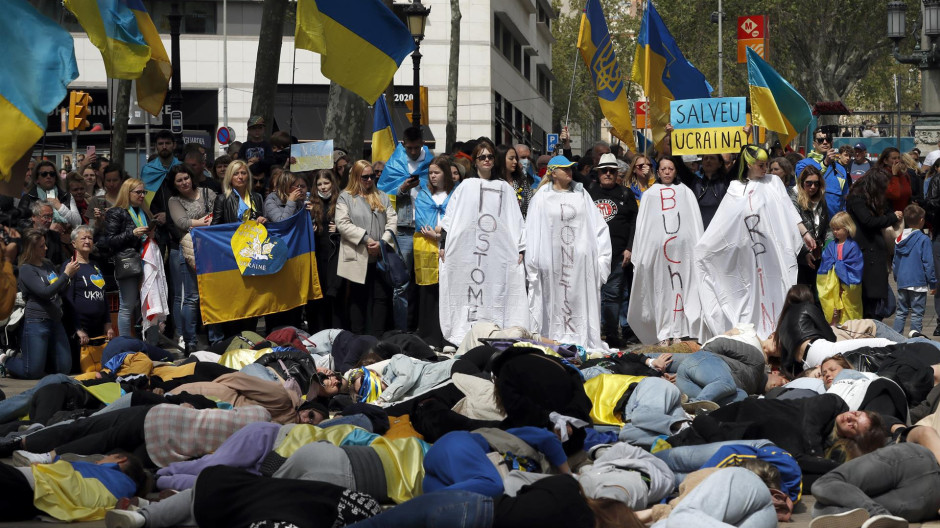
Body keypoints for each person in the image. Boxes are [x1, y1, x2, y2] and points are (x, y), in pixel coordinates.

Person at [693, 145, 816, 340]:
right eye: (760, 165)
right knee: (750, 294)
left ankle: (776, 333)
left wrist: (804, 233)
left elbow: (789, 210)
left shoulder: (774, 182)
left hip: (773, 253)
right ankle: (753, 334)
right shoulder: (736, 187)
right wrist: (705, 246)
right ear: (749, 164)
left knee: (777, 289)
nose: (765, 168)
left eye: (767, 164)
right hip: (748, 255)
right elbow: (724, 221)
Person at [524, 155, 611, 348]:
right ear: (553, 173)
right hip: (553, 261)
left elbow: (597, 226)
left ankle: (579, 340)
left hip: (579, 262)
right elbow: (532, 230)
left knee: (577, 301)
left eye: (571, 168)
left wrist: (600, 259)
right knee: (555, 302)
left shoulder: (581, 195)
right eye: (565, 169)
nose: (570, 172)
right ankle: (555, 340)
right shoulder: (541, 198)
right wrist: (535, 262)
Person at [627, 157, 703, 345]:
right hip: (659, 255)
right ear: (658, 172)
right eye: (663, 169)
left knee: (680, 288)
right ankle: (663, 332)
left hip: (682, 254)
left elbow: (693, 222)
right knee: (661, 291)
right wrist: (642, 251)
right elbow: (644, 226)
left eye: (670, 168)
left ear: (675, 171)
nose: (667, 172)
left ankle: (679, 331)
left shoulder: (685, 192)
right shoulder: (650, 194)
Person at [0, 230, 79, 379]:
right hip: (36, 321)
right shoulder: (26, 269)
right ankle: (5, 359)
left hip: (55, 320)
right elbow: (44, 292)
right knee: (32, 372)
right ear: (32, 249)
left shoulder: (48, 265)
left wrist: (69, 278)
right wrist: (66, 274)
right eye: (42, 246)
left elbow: (59, 290)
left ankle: (35, 359)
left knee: (64, 368)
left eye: (45, 245)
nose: (46, 248)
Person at [336, 160, 397, 337]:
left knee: (381, 298)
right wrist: (366, 240)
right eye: (365, 177)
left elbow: (392, 220)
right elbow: (342, 223)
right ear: (356, 177)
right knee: (357, 298)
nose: (370, 179)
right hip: (358, 254)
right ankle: (358, 336)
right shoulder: (345, 197)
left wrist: (382, 242)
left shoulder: (382, 195)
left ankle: (378, 336)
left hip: (380, 255)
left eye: (372, 176)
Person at [590, 153, 638, 348]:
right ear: (598, 173)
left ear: (617, 173)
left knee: (612, 295)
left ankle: (611, 334)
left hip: (618, 255)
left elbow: (635, 224)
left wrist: (629, 248)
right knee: (594, 294)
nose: (608, 174)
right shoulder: (589, 193)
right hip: (594, 255)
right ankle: (595, 333)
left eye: (611, 170)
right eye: (604, 171)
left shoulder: (626, 195)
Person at [167, 166, 216, 352]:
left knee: (212, 295)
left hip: (212, 248)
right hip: (189, 249)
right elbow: (181, 223)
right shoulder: (174, 200)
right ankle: (190, 341)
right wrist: (204, 222)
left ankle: (215, 339)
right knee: (191, 298)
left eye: (186, 178)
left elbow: (219, 213)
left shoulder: (207, 192)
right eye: (179, 180)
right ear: (174, 184)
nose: (184, 182)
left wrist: (197, 223)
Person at [96, 179, 152, 338]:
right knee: (127, 306)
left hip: (146, 260)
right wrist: (132, 233)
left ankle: (151, 343)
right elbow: (108, 241)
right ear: (127, 193)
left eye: (143, 192)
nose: (142, 195)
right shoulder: (116, 212)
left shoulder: (145, 212)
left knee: (150, 305)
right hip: (128, 263)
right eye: (138, 192)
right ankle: (126, 343)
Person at [847, 169, 904, 319]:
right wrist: (891, 217)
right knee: (868, 299)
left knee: (876, 300)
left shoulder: (873, 198)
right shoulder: (857, 198)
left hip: (875, 252)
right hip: (865, 251)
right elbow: (868, 221)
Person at [412, 155, 456, 347]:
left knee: (447, 293)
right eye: (430, 173)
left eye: (436, 172)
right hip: (428, 247)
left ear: (445, 173)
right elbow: (421, 220)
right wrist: (434, 234)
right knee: (429, 293)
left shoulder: (455, 194)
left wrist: (440, 234)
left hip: (449, 246)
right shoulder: (423, 194)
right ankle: (429, 335)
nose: (432, 176)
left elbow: (457, 218)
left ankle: (447, 335)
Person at [63, 226, 114, 349]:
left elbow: (103, 296)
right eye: (83, 238)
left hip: (99, 327)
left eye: (90, 238)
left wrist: (108, 323)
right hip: (81, 329)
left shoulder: (95, 265)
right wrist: (77, 329)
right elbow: (67, 299)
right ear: (74, 243)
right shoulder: (71, 266)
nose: (87, 241)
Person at [893, 204, 938, 335]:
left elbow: (895, 262)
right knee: (917, 313)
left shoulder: (899, 239)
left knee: (901, 312)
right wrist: (933, 283)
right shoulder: (924, 239)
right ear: (921, 220)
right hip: (918, 282)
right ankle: (915, 340)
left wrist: (897, 277)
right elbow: (928, 263)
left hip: (902, 281)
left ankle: (895, 340)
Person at [307, 170, 342, 332]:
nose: (323, 187)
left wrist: (340, 228)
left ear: (332, 183)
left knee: (334, 295)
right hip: (317, 255)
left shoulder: (341, 201)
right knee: (318, 295)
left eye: (326, 183)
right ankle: (318, 331)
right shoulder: (311, 203)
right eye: (319, 184)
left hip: (335, 255)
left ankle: (335, 332)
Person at [817, 212, 864, 325]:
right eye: (833, 229)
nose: (834, 232)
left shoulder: (853, 247)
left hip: (846, 288)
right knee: (833, 313)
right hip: (833, 287)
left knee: (849, 313)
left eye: (838, 229)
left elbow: (855, 268)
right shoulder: (831, 245)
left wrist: (839, 267)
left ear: (847, 228)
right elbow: (825, 264)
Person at [792, 165, 830, 300]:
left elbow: (826, 226)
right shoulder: (793, 198)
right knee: (802, 293)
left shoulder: (821, 199)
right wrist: (804, 252)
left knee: (816, 293)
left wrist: (826, 247)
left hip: (817, 253)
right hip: (799, 256)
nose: (813, 187)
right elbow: (794, 229)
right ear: (802, 183)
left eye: (816, 183)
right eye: (809, 183)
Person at [796, 128, 849, 218]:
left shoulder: (841, 169)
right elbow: (805, 182)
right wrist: (825, 163)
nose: (825, 142)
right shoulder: (802, 164)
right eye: (820, 140)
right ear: (814, 144)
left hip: (833, 225)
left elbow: (844, 199)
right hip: (810, 222)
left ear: (831, 142)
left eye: (828, 139)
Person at [17, 160, 82, 227]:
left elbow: (78, 222)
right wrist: (46, 227)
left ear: (56, 178)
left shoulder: (66, 196)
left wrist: (59, 207)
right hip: (38, 236)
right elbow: (20, 222)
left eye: (52, 174)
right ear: (37, 179)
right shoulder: (28, 198)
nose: (48, 176)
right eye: (44, 174)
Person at [493, 144, 535, 218]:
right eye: (511, 158)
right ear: (501, 159)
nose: (515, 161)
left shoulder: (522, 181)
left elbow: (530, 207)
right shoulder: (492, 182)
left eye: (516, 158)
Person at [88, 162, 125, 229]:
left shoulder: (128, 200)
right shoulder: (96, 201)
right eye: (108, 180)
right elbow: (90, 230)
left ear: (121, 181)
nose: (111, 184)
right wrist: (98, 222)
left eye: (115, 180)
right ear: (104, 181)